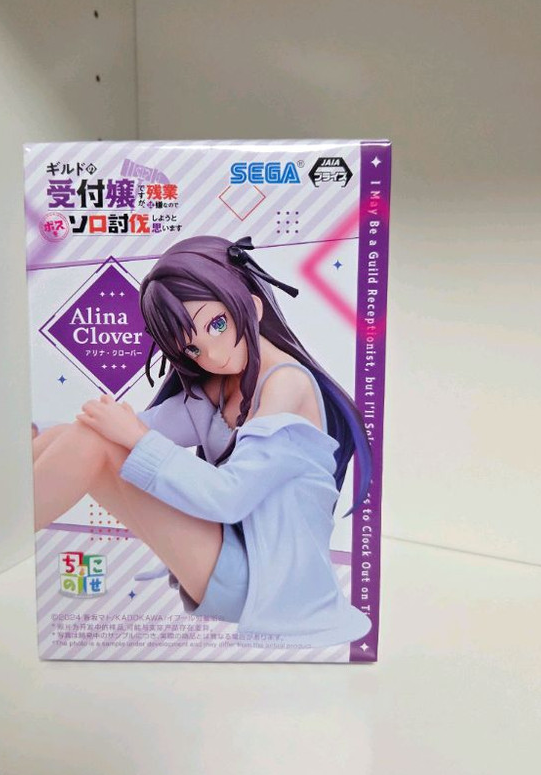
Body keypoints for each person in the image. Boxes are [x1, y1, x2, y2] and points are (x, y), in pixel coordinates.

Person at [32, 235, 372, 646]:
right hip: (226, 559)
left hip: (263, 585)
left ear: (252, 306)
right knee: (88, 437)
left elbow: (230, 497)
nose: (211, 355)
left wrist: (133, 436)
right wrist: (49, 432)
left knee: (97, 441)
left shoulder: (287, 384)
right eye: (192, 348)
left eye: (217, 325)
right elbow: (132, 430)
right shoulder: (220, 386)